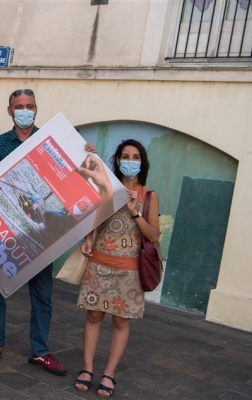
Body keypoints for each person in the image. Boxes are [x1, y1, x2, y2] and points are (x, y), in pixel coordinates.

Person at [0, 89, 95, 376]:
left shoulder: (53, 142)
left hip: (43, 237)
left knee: (42, 295)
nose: (24, 110)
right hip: (6, 231)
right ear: (10, 111)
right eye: (19, 106)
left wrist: (86, 154)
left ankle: (40, 350)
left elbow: (76, 177)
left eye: (29, 106)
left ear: (36, 109)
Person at [74, 139, 160, 398]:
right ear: (118, 160)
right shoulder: (107, 186)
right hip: (99, 265)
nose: (130, 161)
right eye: (125, 156)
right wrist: (87, 237)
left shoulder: (149, 196)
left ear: (142, 163)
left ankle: (108, 373)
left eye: (136, 157)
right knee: (93, 317)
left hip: (129, 272)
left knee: (121, 322)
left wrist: (135, 212)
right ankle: (87, 369)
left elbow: (153, 235)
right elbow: (91, 216)